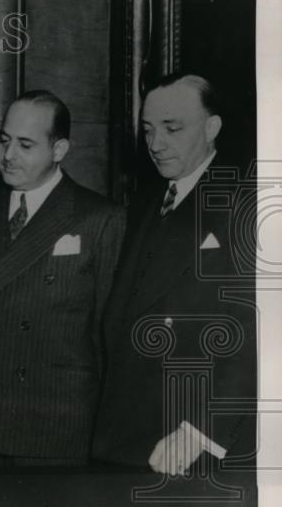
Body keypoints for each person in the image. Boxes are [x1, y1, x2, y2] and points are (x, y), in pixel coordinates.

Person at [92, 74, 256, 473]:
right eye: (148, 130)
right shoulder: (149, 200)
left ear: (212, 128)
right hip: (128, 430)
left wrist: (202, 431)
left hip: (190, 442)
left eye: (172, 128)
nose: (156, 144)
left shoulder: (245, 204)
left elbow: (262, 337)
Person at [0, 90, 125, 466]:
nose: (8, 156)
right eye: (4, 141)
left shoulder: (99, 218)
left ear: (59, 149)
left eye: (25, 145)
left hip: (55, 424)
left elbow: (107, 336)